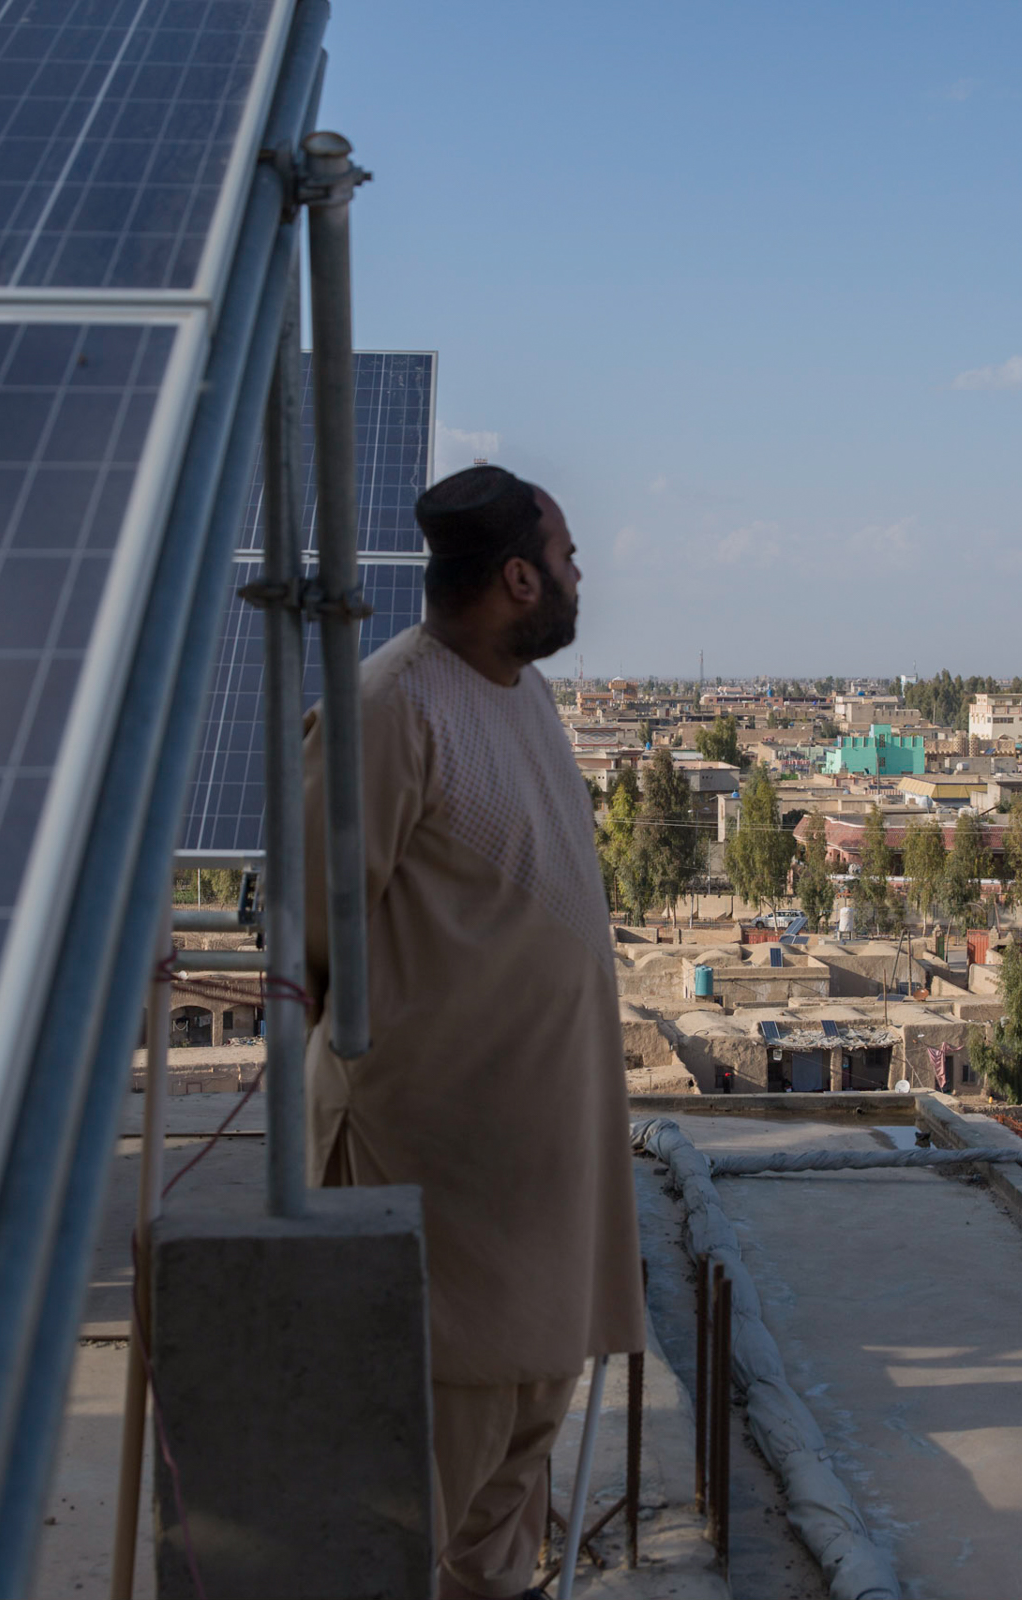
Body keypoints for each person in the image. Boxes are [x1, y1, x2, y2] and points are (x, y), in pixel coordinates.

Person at [302, 465, 645, 1600]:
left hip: (541, 1202)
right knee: (403, 1509)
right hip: (442, 1202)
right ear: (516, 577)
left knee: (511, 1500)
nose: (579, 573)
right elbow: (311, 935)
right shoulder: (390, 709)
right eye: (566, 554)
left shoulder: (521, 692)